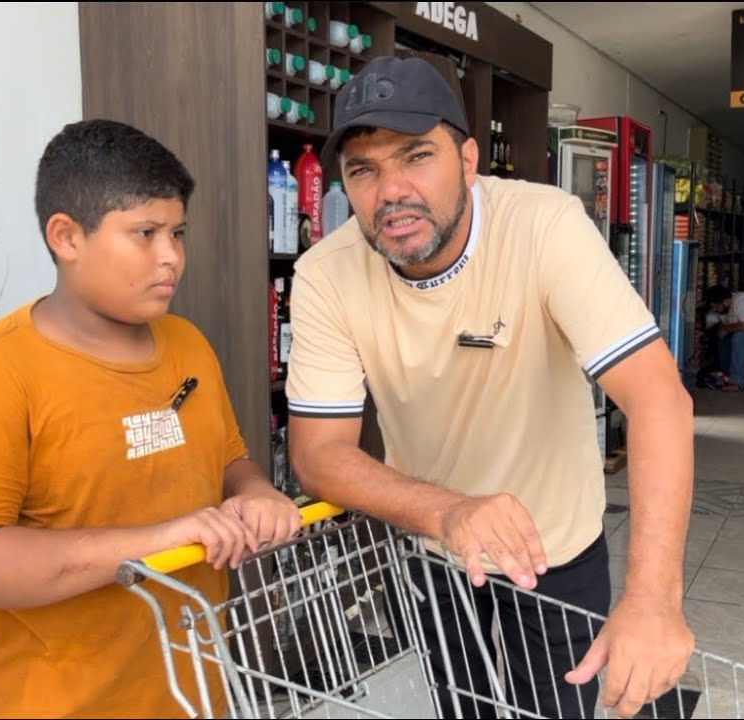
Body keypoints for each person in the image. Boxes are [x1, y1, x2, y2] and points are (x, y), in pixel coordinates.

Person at [285, 56, 696, 719]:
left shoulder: (546, 227)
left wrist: (653, 599)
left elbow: (657, 400)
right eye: (364, 169)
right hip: (432, 543)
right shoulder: (325, 276)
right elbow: (316, 453)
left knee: (566, 707)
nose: (391, 191)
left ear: (470, 160)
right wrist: (447, 512)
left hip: (556, 541)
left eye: (417, 156)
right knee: (459, 706)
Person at [0, 119, 302, 718]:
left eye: (177, 232)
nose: (171, 256)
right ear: (66, 237)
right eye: (144, 233)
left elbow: (226, 458)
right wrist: (158, 542)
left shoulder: (187, 343)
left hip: (188, 693)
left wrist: (255, 492)